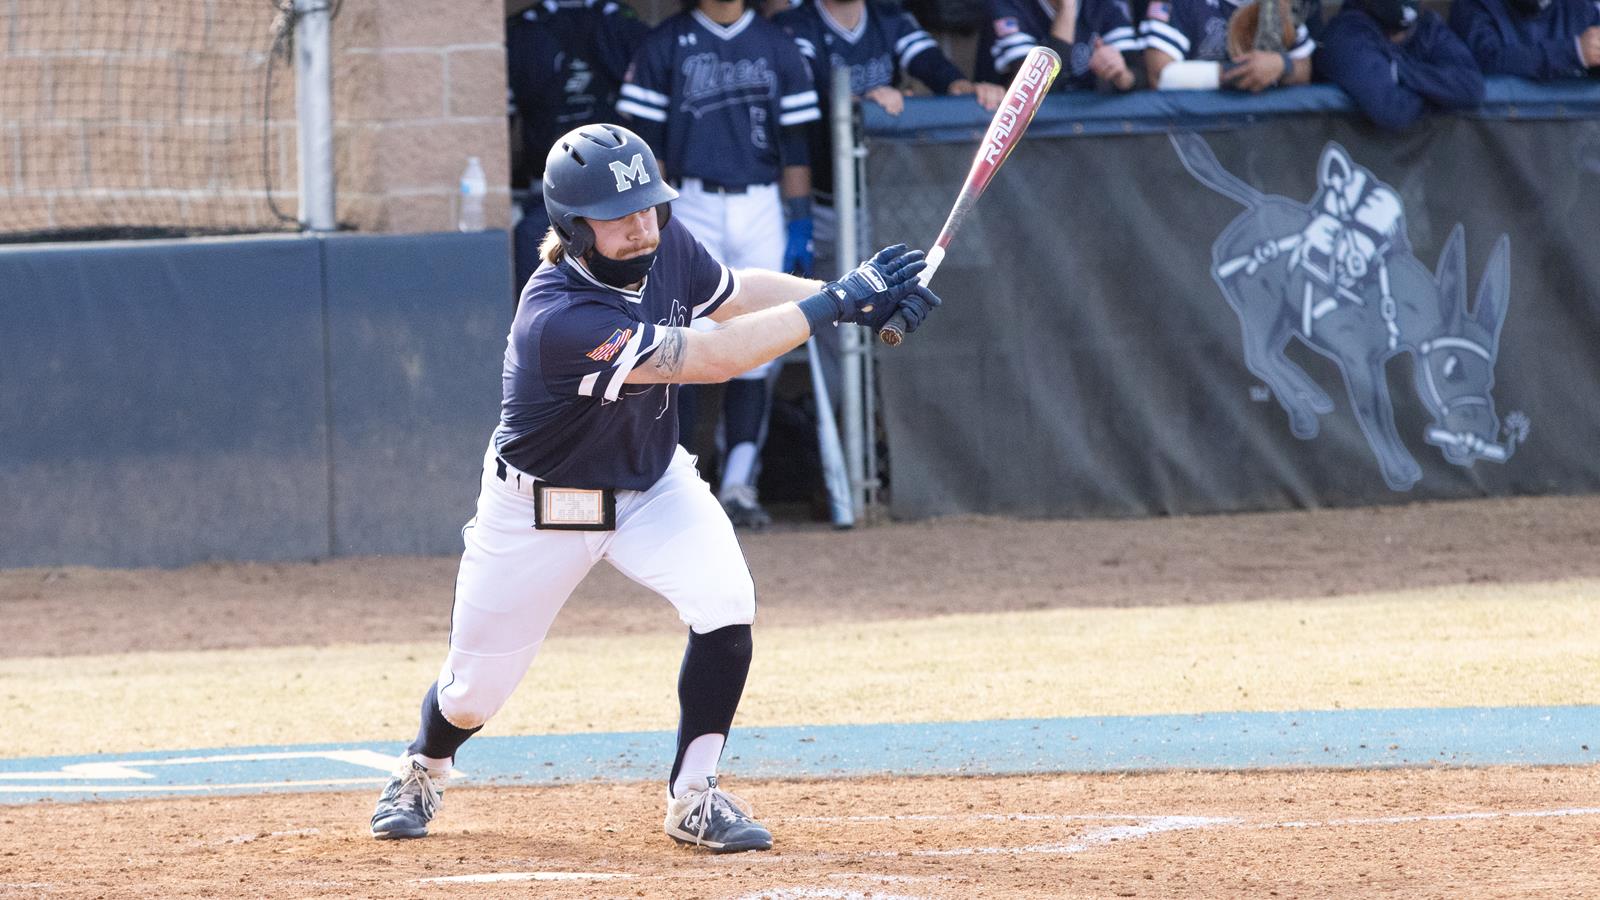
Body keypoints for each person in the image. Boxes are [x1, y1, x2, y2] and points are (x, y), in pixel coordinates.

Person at [368, 123, 940, 851]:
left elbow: (736, 295)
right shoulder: (559, 320)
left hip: (651, 483)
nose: (642, 226)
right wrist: (839, 301)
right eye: (618, 216)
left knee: (726, 602)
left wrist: (855, 299)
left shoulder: (663, 245)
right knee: (472, 695)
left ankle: (694, 795)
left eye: (648, 207)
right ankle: (423, 766)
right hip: (541, 507)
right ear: (574, 228)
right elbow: (717, 356)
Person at [618, 0, 822, 529]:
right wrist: (656, 222)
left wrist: (800, 217)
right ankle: (677, 482)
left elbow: (796, 147)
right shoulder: (665, 43)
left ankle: (739, 484)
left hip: (761, 201)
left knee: (761, 342)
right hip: (689, 201)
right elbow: (649, 151)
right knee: (681, 341)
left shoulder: (778, 45)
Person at [773, 0, 1002, 403]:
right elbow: (810, 98)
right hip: (817, 205)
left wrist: (962, 88)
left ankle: (873, 421)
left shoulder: (888, 17)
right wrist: (861, 100)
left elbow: (931, 63)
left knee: (888, 318)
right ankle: (842, 423)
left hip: (879, 203)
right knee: (828, 328)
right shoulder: (795, 25)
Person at [505, 0, 649, 293]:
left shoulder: (621, 24)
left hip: (620, 189)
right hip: (546, 195)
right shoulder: (525, 31)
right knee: (546, 280)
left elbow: (648, 124)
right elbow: (500, 124)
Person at [1314, 0, 1485, 131]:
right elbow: (1393, 110)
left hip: (1427, 162)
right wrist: (1445, 97)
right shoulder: (1344, 34)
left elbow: (1472, 88)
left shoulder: (1428, 27)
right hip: (1355, 154)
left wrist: (1400, 71)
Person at [1142, 0, 1317, 90]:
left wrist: (1282, 66)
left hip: (1263, 132)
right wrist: (1237, 72)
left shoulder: (1278, 5)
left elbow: (1304, 68)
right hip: (1194, 125)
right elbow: (1160, 75)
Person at [977, 0, 1144, 91]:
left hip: (1086, 127)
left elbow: (1142, 76)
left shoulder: (1102, 5)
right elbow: (1033, 90)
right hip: (1025, 132)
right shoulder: (1007, 5)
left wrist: (1121, 75)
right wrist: (1067, 8)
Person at [1448, 0, 1600, 79]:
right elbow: (1485, 60)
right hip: (1493, 125)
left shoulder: (1581, 8)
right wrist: (1573, 52)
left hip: (1573, 126)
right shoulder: (1473, 5)